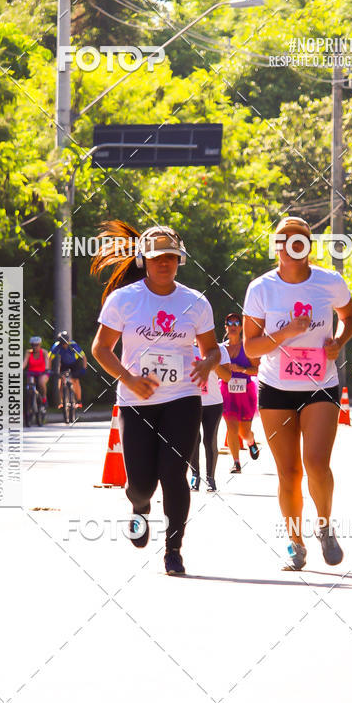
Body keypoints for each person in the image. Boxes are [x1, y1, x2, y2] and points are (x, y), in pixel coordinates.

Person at [91, 220, 220, 576]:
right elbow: (101, 348)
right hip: (136, 401)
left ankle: (173, 549)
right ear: (143, 261)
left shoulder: (195, 302)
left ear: (180, 260)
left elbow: (211, 350)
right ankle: (139, 506)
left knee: (174, 473)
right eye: (157, 257)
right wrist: (130, 379)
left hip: (183, 397)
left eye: (170, 257)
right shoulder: (124, 300)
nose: (164, 263)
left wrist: (207, 364)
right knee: (141, 483)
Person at [243, 215, 352, 570]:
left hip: (320, 384)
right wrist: (287, 332)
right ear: (275, 245)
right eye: (282, 239)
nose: (290, 246)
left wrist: (339, 341)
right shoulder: (261, 288)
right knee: (289, 472)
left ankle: (324, 526)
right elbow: (250, 347)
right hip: (275, 387)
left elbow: (350, 316)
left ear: (308, 245)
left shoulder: (329, 281)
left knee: (316, 464)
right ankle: (295, 542)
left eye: (298, 240)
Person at [220, 312, 260, 473]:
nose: (233, 326)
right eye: (230, 323)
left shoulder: (247, 347)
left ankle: (251, 440)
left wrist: (241, 369)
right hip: (227, 392)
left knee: (244, 432)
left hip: (246, 393)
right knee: (231, 427)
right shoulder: (221, 348)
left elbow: (257, 369)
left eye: (236, 323)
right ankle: (236, 463)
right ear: (225, 327)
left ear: (241, 327)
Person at [190, 341, 231, 492]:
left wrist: (212, 362)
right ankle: (195, 476)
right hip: (191, 402)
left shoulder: (220, 349)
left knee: (209, 440)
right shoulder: (186, 346)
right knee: (193, 440)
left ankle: (210, 479)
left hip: (213, 403)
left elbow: (227, 377)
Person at [49, 330, 88, 408]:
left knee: (75, 380)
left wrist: (84, 368)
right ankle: (62, 402)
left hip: (74, 363)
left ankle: (79, 401)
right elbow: (49, 358)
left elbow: (83, 357)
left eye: (65, 343)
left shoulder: (73, 345)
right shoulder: (56, 346)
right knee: (61, 381)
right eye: (62, 344)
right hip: (64, 364)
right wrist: (48, 369)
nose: (64, 345)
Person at [22, 336, 50, 404]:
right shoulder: (28, 352)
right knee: (29, 386)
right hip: (31, 373)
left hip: (43, 372)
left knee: (41, 382)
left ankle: (44, 397)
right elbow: (24, 363)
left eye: (36, 345)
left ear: (40, 345)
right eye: (33, 345)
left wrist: (46, 369)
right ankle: (30, 404)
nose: (34, 347)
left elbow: (47, 362)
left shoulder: (44, 352)